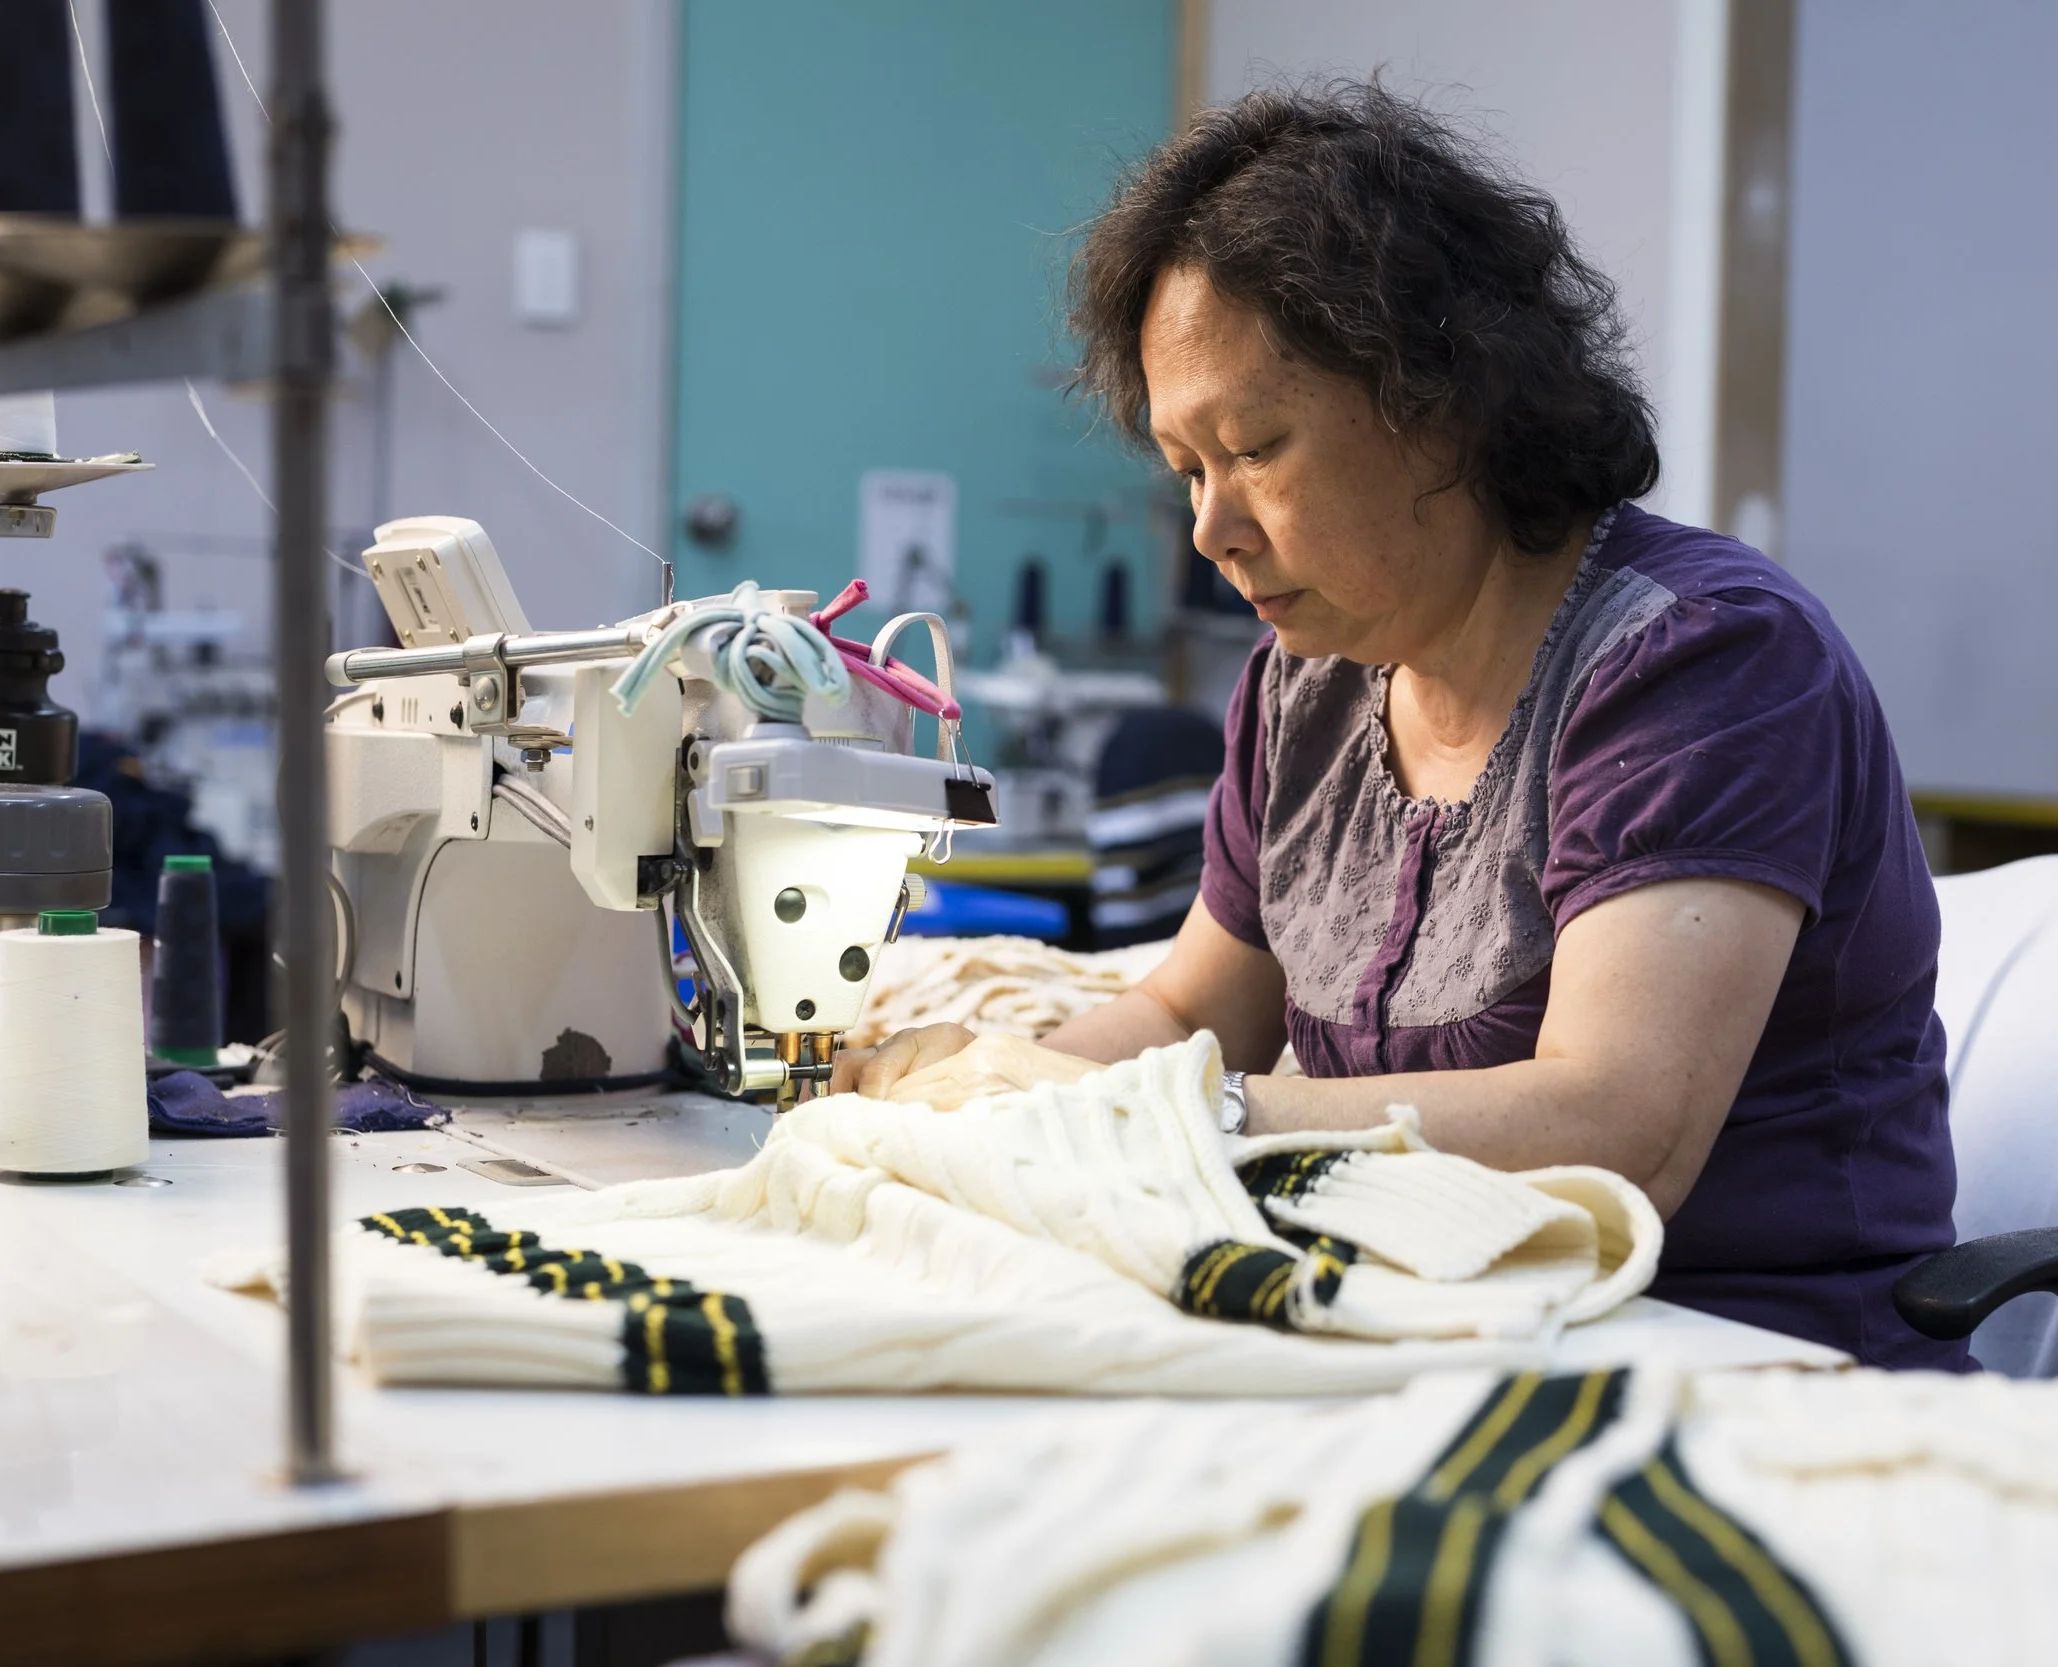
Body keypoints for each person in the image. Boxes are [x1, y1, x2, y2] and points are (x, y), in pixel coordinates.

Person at [835, 82, 1963, 1370]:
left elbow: (1616, 1130)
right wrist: (977, 1092)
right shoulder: (1306, 689)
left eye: (1255, 448)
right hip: (1422, 1331)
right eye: (1187, 471)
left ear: (1441, 398)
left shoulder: (1703, 663)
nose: (1210, 530)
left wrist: (1152, 1114)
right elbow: (1187, 1013)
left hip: (1745, 1361)